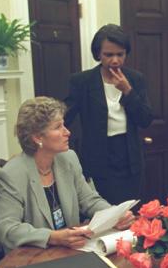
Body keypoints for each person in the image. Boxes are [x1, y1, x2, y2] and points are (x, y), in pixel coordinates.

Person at [0, 97, 133, 253]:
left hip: (71, 249)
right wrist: (52, 237)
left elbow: (88, 200)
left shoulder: (68, 158)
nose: (67, 132)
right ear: (38, 137)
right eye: (58, 127)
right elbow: (6, 228)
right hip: (33, 256)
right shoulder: (12, 174)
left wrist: (115, 215)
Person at [64, 24, 153, 204]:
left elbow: (145, 119)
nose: (115, 60)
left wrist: (128, 92)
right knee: (105, 212)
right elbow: (65, 116)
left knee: (129, 211)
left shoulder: (135, 79)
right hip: (99, 157)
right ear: (98, 54)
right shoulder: (82, 81)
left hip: (129, 156)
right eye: (109, 55)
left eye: (120, 54)